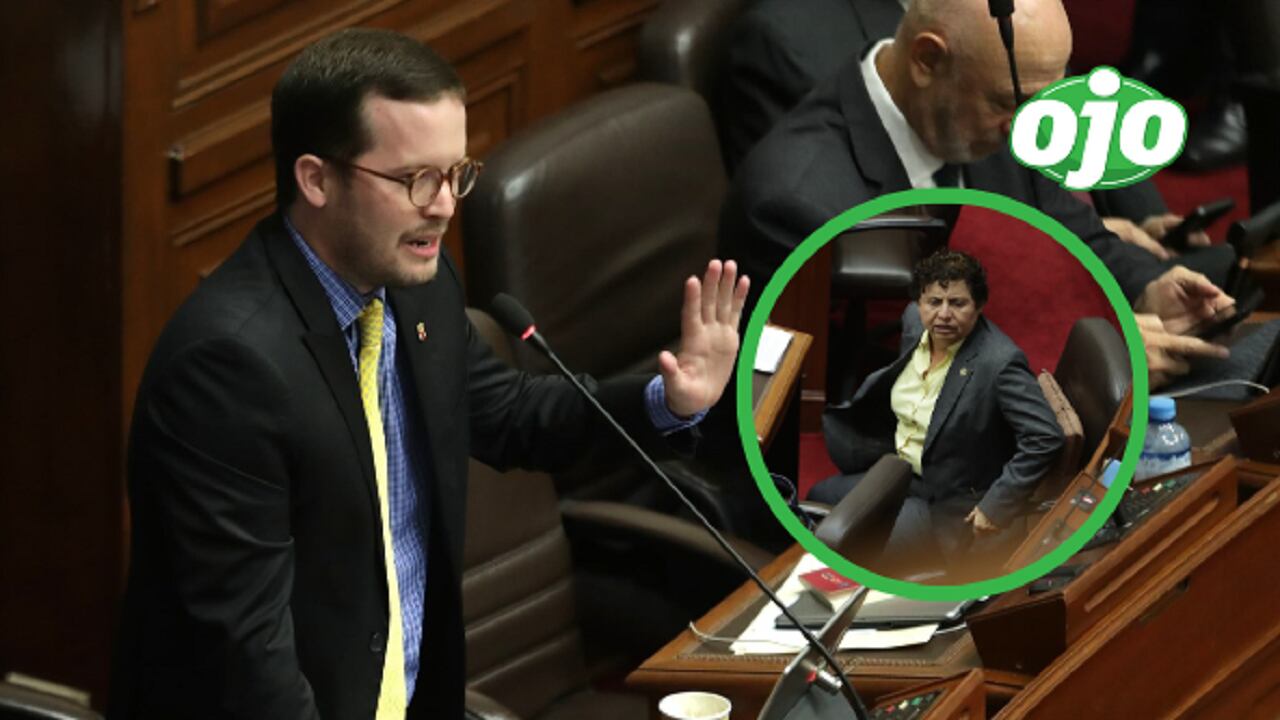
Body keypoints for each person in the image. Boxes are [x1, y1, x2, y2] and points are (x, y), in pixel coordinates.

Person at [109, 28, 748, 720]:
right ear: (316, 179)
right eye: (416, 179)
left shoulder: (414, 282)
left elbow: (508, 415)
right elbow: (246, 658)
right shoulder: (226, 369)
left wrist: (668, 399)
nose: (444, 205)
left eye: (456, 174)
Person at [719, 0, 1234, 388]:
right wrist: (1081, 353)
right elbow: (879, 384)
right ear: (926, 61)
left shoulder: (988, 102)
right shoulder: (797, 202)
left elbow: (1069, 235)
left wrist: (1145, 285)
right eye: (1013, 104)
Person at [815, 251, 1064, 569]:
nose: (943, 314)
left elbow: (1045, 436)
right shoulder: (914, 324)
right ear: (919, 303)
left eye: (957, 303)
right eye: (934, 302)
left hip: (946, 502)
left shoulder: (998, 364)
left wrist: (996, 505)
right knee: (817, 497)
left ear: (979, 306)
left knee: (854, 547)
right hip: (898, 470)